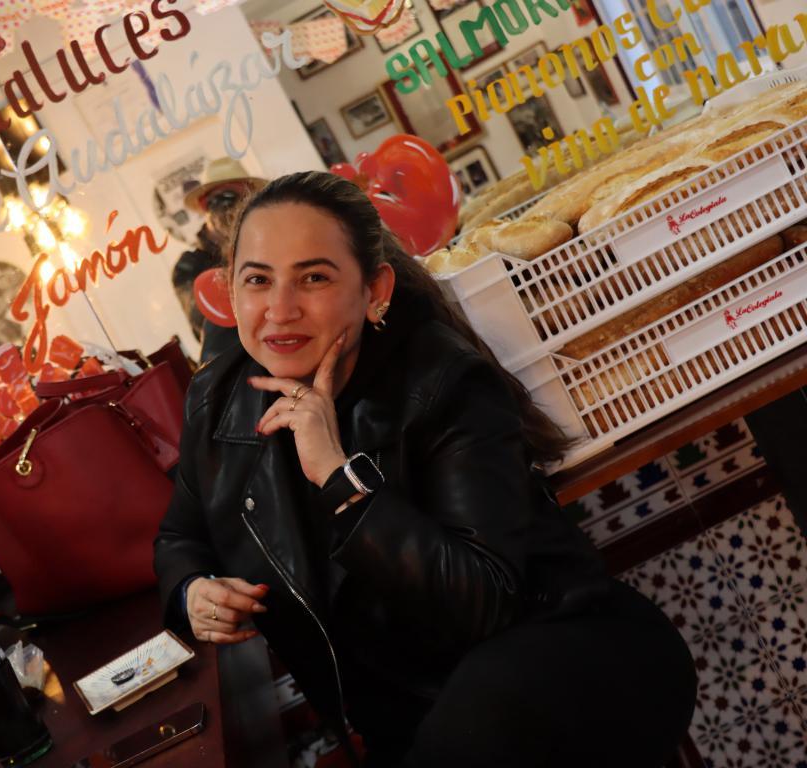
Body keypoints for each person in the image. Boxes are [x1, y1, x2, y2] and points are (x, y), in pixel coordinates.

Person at [154, 172, 696, 767]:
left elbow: (481, 603)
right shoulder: (216, 400)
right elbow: (180, 535)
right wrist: (192, 591)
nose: (280, 310)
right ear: (231, 292)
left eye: (314, 277)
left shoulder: (443, 381)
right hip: (410, 725)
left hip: (558, 665)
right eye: (258, 280)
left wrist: (339, 476)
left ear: (375, 290)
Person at [172, 157, 265, 361]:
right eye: (221, 200)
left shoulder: (266, 243)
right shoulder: (190, 266)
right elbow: (203, 319)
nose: (229, 209)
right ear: (207, 206)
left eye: (239, 198)